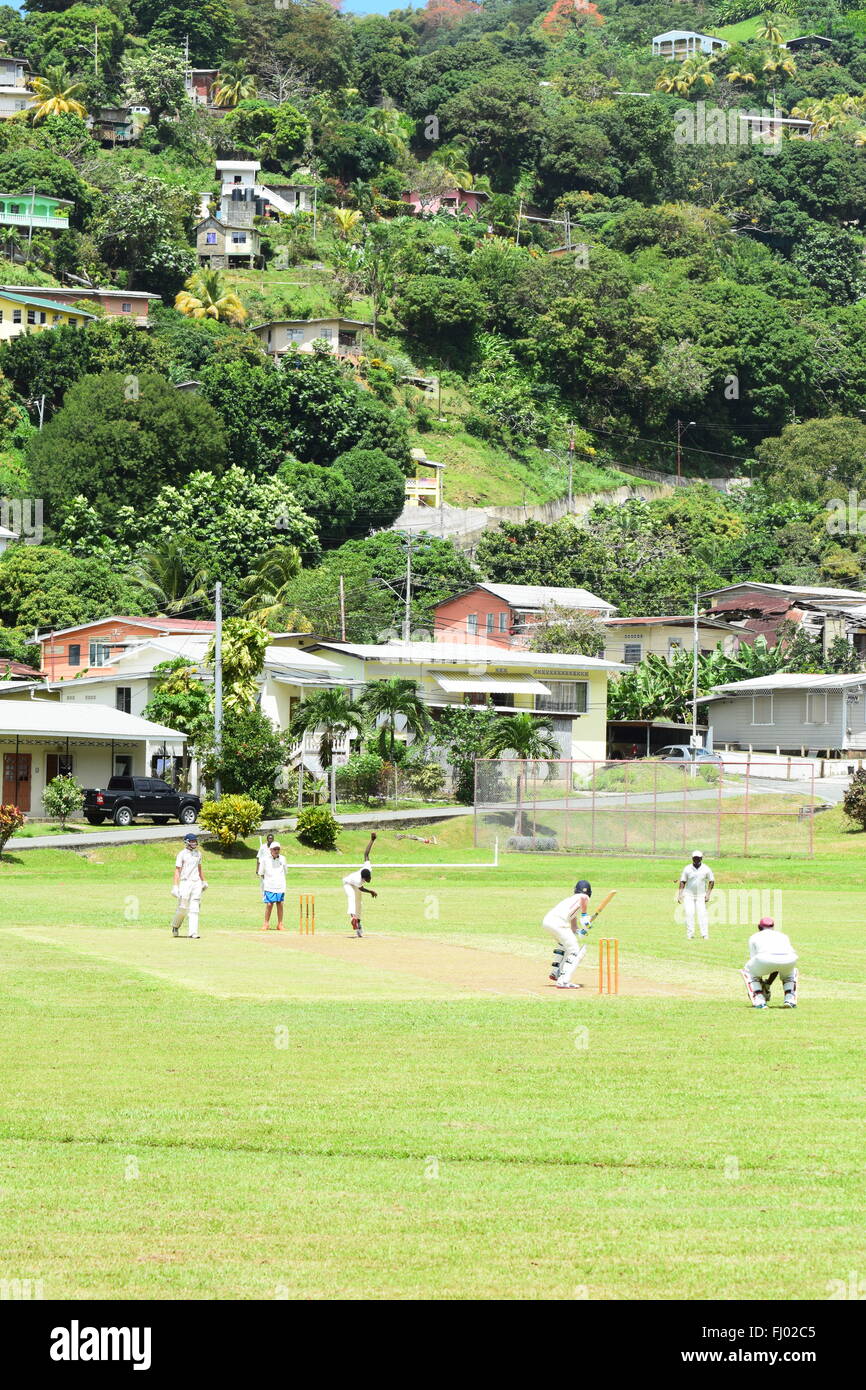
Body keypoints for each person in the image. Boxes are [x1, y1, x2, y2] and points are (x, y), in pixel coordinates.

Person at [544, 879, 592, 990]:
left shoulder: (571, 902)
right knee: (575, 950)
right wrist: (584, 915)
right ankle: (564, 981)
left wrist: (580, 932)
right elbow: (584, 897)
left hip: (548, 922)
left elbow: (573, 928)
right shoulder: (583, 897)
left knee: (566, 944)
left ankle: (557, 972)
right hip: (558, 923)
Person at [742, 916, 798, 1009]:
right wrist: (768, 983)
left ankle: (759, 1000)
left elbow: (755, 961)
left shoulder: (754, 937)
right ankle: (790, 999)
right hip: (790, 959)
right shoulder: (783, 936)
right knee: (789, 973)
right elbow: (777, 965)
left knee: (749, 971)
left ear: (759, 927)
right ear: (773, 927)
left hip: (764, 959)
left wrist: (761, 984)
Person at [171, 832, 207, 939]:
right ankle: (175, 925)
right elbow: (177, 871)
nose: (194, 843)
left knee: (195, 907)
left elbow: (199, 869)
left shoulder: (198, 854)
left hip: (196, 882)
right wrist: (175, 886)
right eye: (192, 841)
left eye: (195, 841)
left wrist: (203, 881)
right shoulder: (181, 854)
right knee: (182, 907)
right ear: (187, 842)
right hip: (185, 882)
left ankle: (193, 932)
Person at [342, 833, 377, 938]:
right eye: (367, 879)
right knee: (351, 897)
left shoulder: (368, 867)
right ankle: (353, 917)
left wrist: (372, 840)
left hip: (356, 886)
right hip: (348, 884)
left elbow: (366, 854)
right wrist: (371, 891)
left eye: (369, 878)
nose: (369, 880)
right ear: (363, 879)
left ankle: (358, 923)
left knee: (359, 904)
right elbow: (361, 888)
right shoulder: (359, 880)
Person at [678, 850, 714, 940]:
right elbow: (683, 881)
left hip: (701, 895)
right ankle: (690, 935)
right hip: (689, 895)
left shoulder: (706, 869)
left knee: (702, 914)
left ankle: (705, 934)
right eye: (695, 858)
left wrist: (708, 894)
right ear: (692, 858)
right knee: (689, 914)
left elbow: (711, 881)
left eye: (698, 858)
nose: (696, 859)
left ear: (701, 858)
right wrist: (680, 894)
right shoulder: (687, 869)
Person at [261, 840, 287, 932]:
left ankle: (280, 924)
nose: (276, 851)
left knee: (280, 904)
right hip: (269, 885)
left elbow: (285, 871)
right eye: (275, 849)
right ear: (270, 850)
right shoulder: (265, 859)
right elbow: (261, 873)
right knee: (269, 904)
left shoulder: (283, 859)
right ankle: (266, 923)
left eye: (278, 849)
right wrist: (266, 883)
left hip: (280, 885)